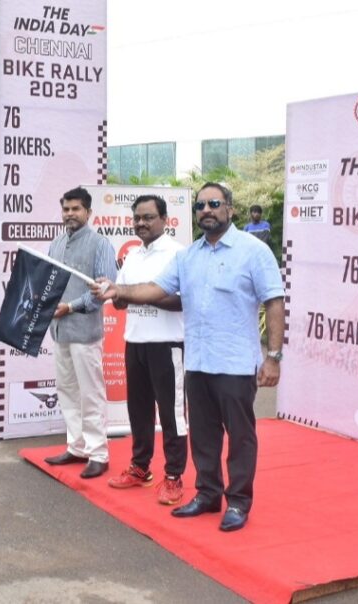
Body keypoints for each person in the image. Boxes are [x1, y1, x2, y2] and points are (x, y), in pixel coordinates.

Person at [94, 182, 285, 531]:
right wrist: (118, 290)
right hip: (197, 361)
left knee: (240, 436)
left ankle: (239, 502)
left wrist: (273, 357)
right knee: (203, 435)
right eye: (200, 206)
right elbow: (156, 289)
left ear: (230, 208)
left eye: (214, 203)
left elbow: (274, 301)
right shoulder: (188, 256)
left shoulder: (254, 252)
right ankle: (208, 494)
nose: (206, 210)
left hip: (235, 363)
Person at [106, 195, 188, 505]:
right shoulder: (132, 256)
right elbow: (121, 299)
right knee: (138, 412)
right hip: (135, 342)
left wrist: (140, 295)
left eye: (148, 217)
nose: (141, 223)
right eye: (137, 218)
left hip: (167, 345)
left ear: (164, 220)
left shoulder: (179, 254)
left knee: (172, 414)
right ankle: (140, 468)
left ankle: (173, 476)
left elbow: (181, 300)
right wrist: (115, 295)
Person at [42, 187, 117, 479]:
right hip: (59, 330)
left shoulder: (100, 245)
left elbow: (104, 291)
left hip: (85, 332)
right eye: (66, 209)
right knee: (67, 390)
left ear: (88, 212)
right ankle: (76, 446)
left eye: (76, 209)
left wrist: (70, 307)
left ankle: (98, 453)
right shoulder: (56, 243)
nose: (70, 214)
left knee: (91, 393)